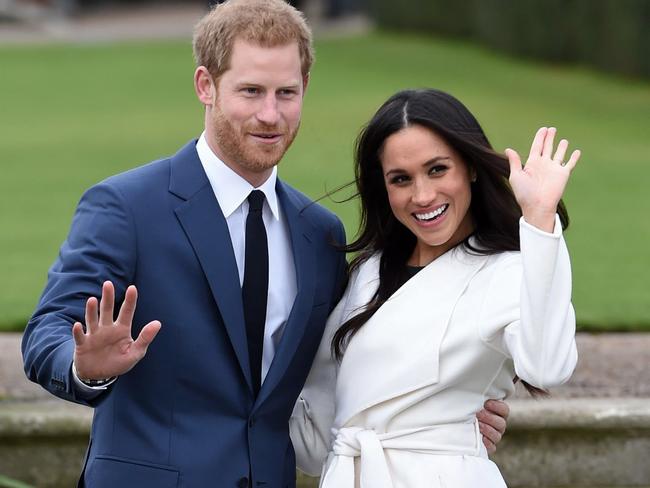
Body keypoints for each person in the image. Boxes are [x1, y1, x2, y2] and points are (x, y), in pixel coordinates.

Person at [21, 1, 508, 487]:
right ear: (205, 86)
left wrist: (446, 414)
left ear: (305, 90)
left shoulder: (320, 234)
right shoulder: (126, 207)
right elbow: (47, 332)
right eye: (251, 91)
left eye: (286, 93)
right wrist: (85, 368)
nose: (270, 115)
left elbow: (347, 368)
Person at [290, 88, 580, 487]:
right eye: (401, 179)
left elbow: (547, 367)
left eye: (438, 169)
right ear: (384, 187)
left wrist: (540, 221)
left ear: (471, 167)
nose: (423, 195)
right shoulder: (367, 274)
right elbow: (316, 434)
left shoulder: (506, 271)